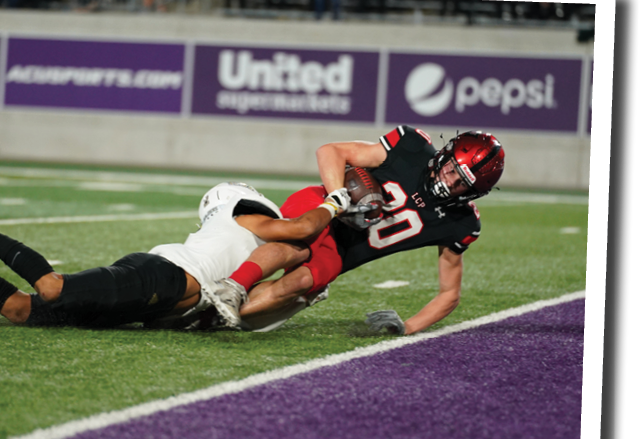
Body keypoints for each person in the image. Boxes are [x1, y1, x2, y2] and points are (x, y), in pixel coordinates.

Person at [0, 183, 354, 329]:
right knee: (52, 287)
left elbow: (262, 301)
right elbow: (303, 227)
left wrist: (302, 294)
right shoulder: (252, 223)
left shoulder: (261, 247)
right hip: (164, 275)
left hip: (165, 299)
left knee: (22, 311)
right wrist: (336, 201)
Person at [209, 126, 505, 335]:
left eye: (462, 184)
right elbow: (331, 151)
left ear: (475, 193)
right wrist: (337, 198)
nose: (449, 182)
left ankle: (213, 316)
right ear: (445, 154)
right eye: (452, 170)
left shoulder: (461, 223)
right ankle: (230, 288)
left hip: (344, 249)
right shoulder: (410, 146)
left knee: (299, 283)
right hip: (325, 207)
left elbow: (450, 293)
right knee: (298, 244)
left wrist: (409, 327)